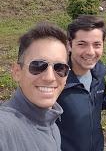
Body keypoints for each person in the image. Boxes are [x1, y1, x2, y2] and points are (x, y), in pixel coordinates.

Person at [0, 23, 70, 151]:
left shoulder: (52, 126)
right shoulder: (5, 128)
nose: (50, 77)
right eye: (38, 66)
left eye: (60, 68)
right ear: (17, 72)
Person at [56, 15, 106, 151]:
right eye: (82, 44)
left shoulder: (98, 76)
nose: (90, 52)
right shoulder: (56, 81)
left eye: (97, 45)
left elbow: (98, 101)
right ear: (69, 45)